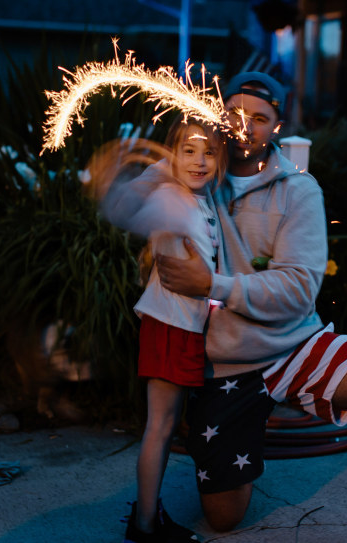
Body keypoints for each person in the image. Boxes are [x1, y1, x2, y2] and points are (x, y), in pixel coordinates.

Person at [155, 72, 347, 543]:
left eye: (260, 118)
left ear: (277, 127)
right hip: (225, 365)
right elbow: (144, 192)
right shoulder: (197, 177)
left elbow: (299, 289)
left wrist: (212, 283)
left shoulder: (299, 190)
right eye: (236, 115)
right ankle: (241, 438)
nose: (247, 126)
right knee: (223, 519)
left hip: (296, 343)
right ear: (220, 120)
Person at [101, 117, 227, 543]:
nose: (200, 161)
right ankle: (145, 526)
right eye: (188, 151)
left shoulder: (203, 198)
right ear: (173, 156)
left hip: (183, 325)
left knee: (168, 425)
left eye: (209, 151)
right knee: (161, 426)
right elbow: (124, 211)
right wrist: (121, 181)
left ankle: (147, 516)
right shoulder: (174, 197)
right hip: (171, 325)